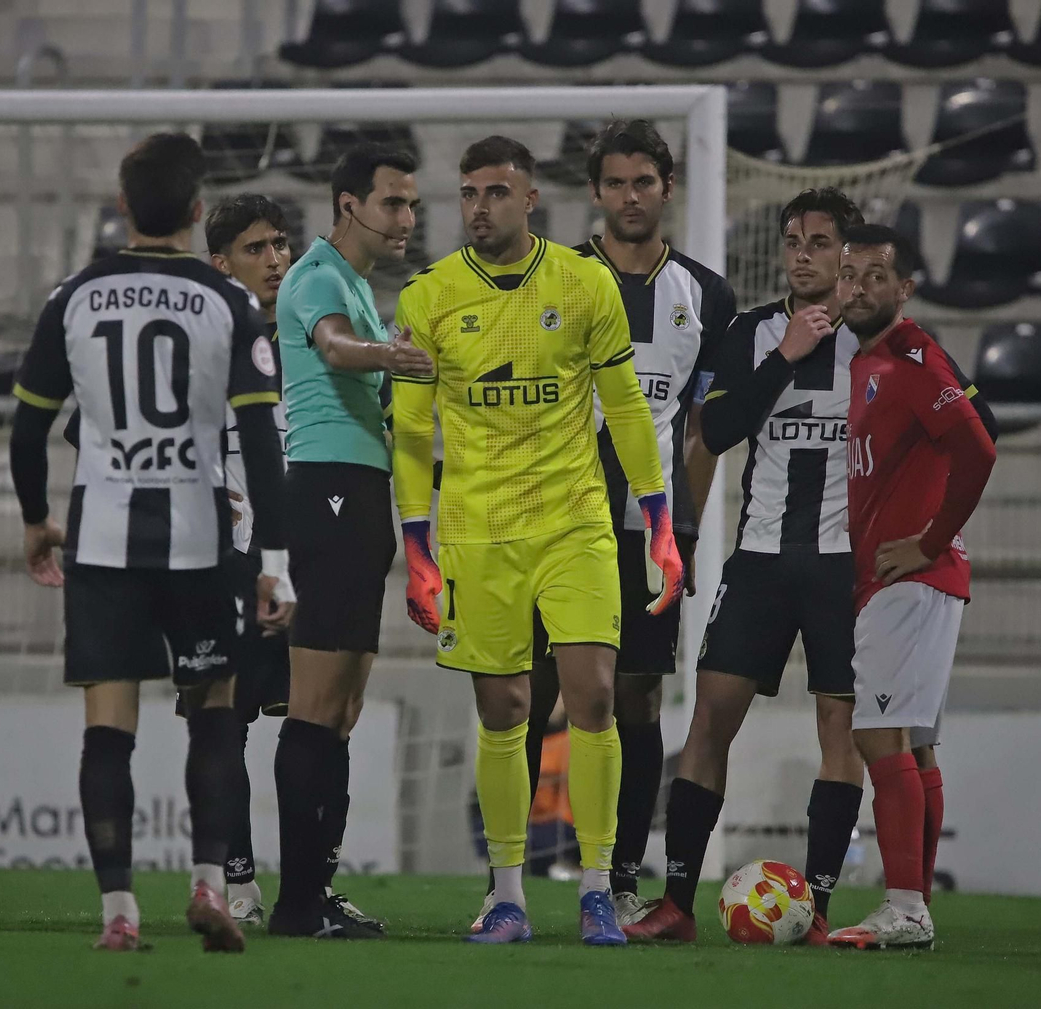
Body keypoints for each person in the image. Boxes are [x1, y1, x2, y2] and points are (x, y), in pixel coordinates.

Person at [392, 135, 682, 946]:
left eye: (495, 192)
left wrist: (660, 524)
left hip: (574, 523)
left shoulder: (584, 283)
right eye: (468, 193)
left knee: (595, 695)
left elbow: (626, 409)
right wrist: (415, 547)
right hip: (477, 531)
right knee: (505, 707)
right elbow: (410, 432)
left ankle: (597, 888)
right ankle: (509, 895)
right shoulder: (429, 296)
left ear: (530, 200)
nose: (478, 207)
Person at [8, 133, 291, 954]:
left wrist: (35, 518)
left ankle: (119, 912)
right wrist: (272, 563)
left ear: (123, 205)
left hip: (103, 543)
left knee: (109, 728)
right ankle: (209, 884)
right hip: (200, 542)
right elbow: (261, 442)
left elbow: (27, 429)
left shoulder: (74, 296)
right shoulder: (227, 301)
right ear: (198, 210)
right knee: (214, 714)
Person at [471, 120, 735, 932]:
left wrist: (680, 530)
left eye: (643, 182)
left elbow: (701, 428)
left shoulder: (707, 294)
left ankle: (617, 879)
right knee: (531, 690)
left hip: (644, 528)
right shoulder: (552, 276)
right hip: (550, 519)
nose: (630, 196)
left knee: (636, 695)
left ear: (666, 188)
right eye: (615, 183)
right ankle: (504, 882)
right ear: (594, 192)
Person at [627, 188, 868, 945]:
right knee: (709, 718)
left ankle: (819, 907)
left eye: (819, 242)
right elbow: (718, 429)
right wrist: (785, 356)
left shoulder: (876, 340)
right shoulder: (753, 331)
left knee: (841, 729)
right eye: (793, 241)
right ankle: (676, 902)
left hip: (843, 567)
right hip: (760, 560)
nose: (801, 255)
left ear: (847, 255)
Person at [267, 143, 431, 939]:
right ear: (347, 204)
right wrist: (394, 355)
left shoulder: (358, 284)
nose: (407, 217)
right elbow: (334, 346)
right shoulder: (318, 277)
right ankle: (296, 903)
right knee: (314, 703)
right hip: (326, 487)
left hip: (360, 492)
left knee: (343, 706)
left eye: (412, 204)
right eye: (393, 202)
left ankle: (317, 890)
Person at [826, 224, 998, 950]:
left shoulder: (914, 357)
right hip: (907, 580)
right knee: (916, 743)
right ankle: (914, 905)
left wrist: (928, 541)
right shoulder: (870, 360)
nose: (859, 288)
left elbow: (979, 448)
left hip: (912, 576)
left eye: (876, 276)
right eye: (849, 275)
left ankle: (905, 906)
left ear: (905, 288)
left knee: (876, 732)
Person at [204, 193, 297, 928]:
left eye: (281, 245)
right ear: (220, 263)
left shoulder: (314, 335)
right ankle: (237, 881)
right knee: (221, 722)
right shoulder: (193, 338)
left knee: (318, 720)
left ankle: (309, 885)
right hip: (222, 559)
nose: (275, 260)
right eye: (255, 248)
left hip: (302, 557)